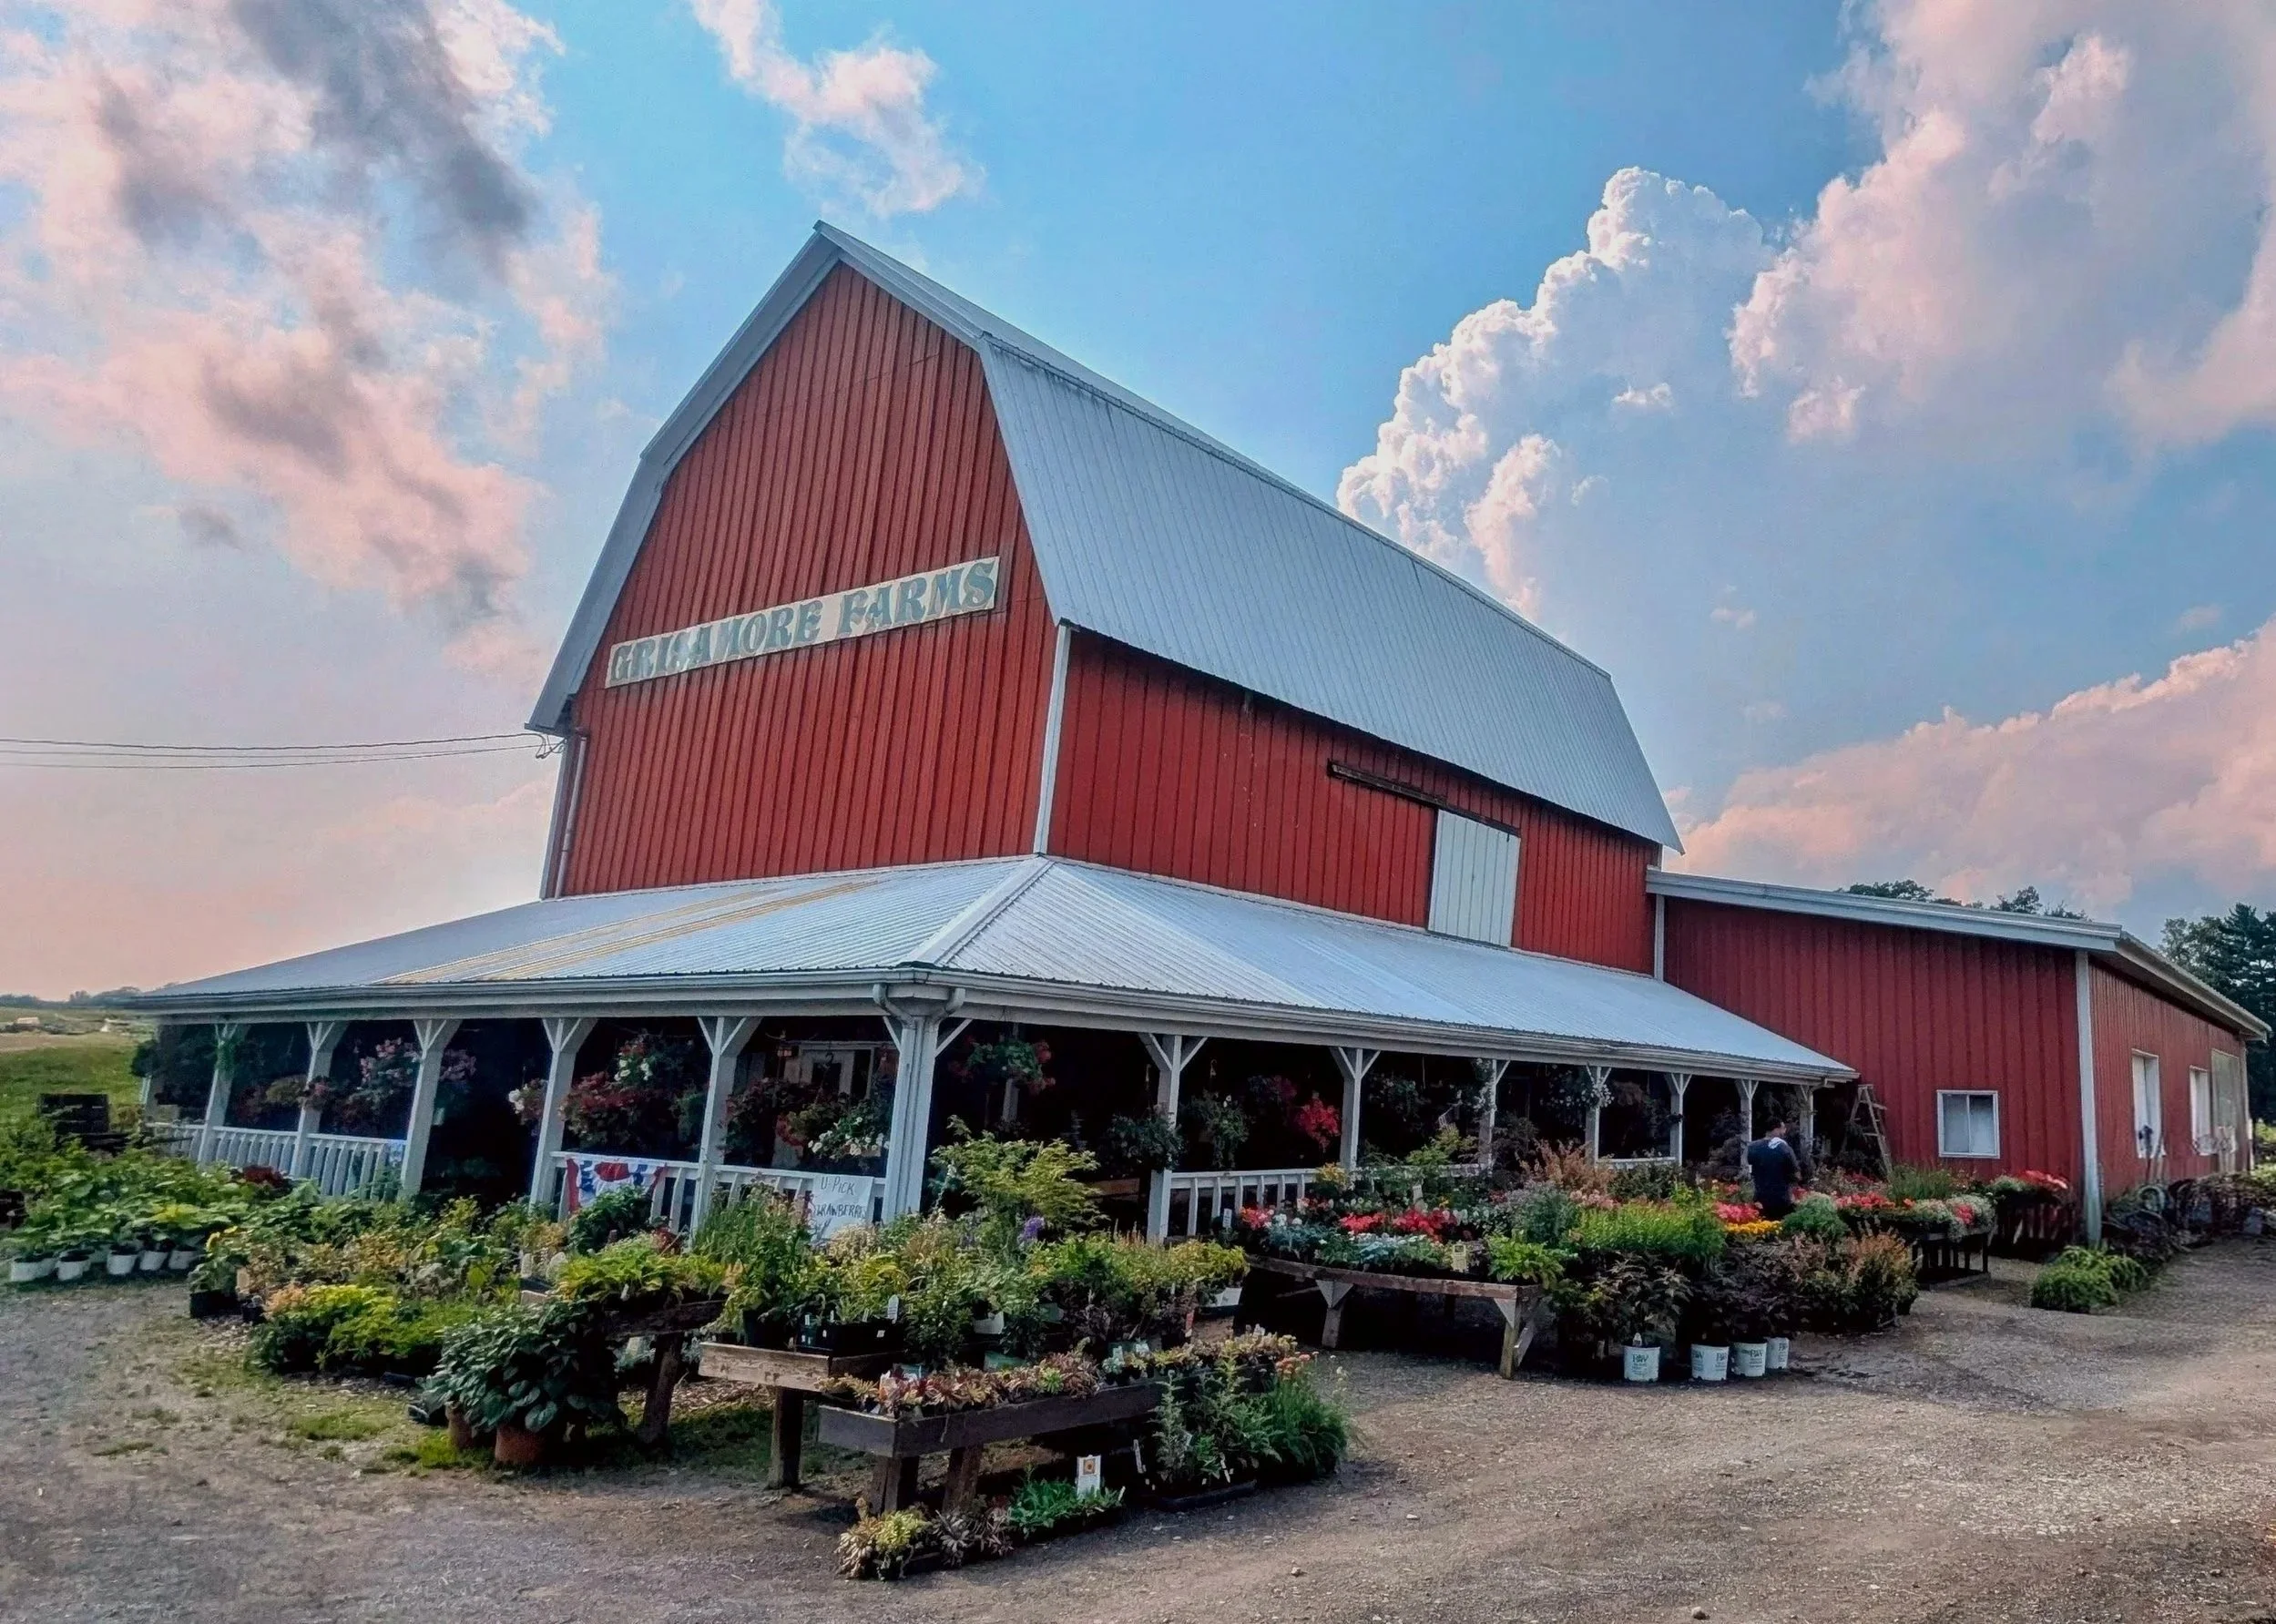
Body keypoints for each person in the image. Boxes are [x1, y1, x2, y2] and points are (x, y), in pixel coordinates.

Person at [1746, 1116, 1804, 1221]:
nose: (1784, 1132)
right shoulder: (1784, 1148)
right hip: (1781, 1199)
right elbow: (1797, 1175)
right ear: (1776, 1129)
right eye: (1783, 1128)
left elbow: (1751, 1166)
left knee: (1762, 1229)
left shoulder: (1752, 1147)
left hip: (1760, 1198)